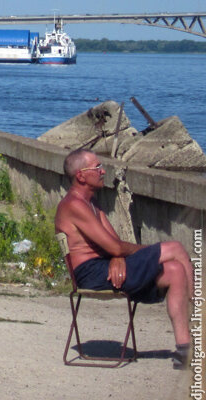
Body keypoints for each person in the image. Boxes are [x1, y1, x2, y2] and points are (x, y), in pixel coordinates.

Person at [55, 148, 194, 369]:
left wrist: (116, 257)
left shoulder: (92, 203)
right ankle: (200, 315)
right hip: (92, 275)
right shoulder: (74, 205)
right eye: (97, 167)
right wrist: (146, 252)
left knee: (175, 270)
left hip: (104, 267)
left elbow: (114, 245)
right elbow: (115, 246)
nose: (103, 171)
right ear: (81, 175)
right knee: (174, 248)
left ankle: (184, 351)